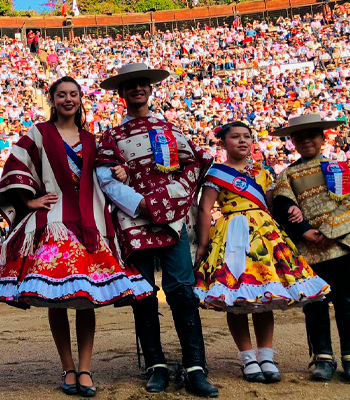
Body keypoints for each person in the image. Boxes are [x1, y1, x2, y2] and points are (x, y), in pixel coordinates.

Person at [0, 77, 153, 397]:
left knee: (85, 299)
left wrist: (120, 171)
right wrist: (28, 202)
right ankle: (68, 367)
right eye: (61, 95)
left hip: (88, 224)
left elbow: (107, 173)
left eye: (73, 94)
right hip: (53, 224)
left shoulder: (92, 140)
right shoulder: (38, 135)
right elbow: (16, 166)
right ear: (52, 100)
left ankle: (84, 368)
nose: (68, 99)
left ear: (81, 99)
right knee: (55, 298)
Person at [95, 63, 218, 397]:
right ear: (121, 93)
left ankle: (195, 366)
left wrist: (161, 204)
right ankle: (156, 365)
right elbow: (105, 178)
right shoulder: (111, 137)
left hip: (172, 221)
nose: (137, 89)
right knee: (143, 292)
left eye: (142, 84)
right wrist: (144, 205)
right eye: (130, 85)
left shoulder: (170, 129)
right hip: (135, 220)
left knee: (181, 289)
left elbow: (192, 165)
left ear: (150, 89)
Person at [193, 122, 330, 383]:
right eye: (235, 137)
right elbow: (204, 209)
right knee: (237, 300)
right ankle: (247, 358)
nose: (242, 141)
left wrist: (295, 212)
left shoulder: (263, 172)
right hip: (231, 235)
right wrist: (202, 244)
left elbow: (273, 205)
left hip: (264, 236)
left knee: (263, 296)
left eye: (247, 137)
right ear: (223, 143)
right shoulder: (215, 174)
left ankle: (266, 355)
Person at [271, 114, 350, 382]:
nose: (305, 140)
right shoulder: (287, 174)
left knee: (347, 300)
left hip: (339, 245)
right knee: (316, 304)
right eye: (298, 137)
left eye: (311, 135)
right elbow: (280, 205)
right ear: (292, 142)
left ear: (322, 138)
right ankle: (323, 357)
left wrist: (325, 232)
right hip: (310, 248)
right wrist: (305, 232)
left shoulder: (339, 167)